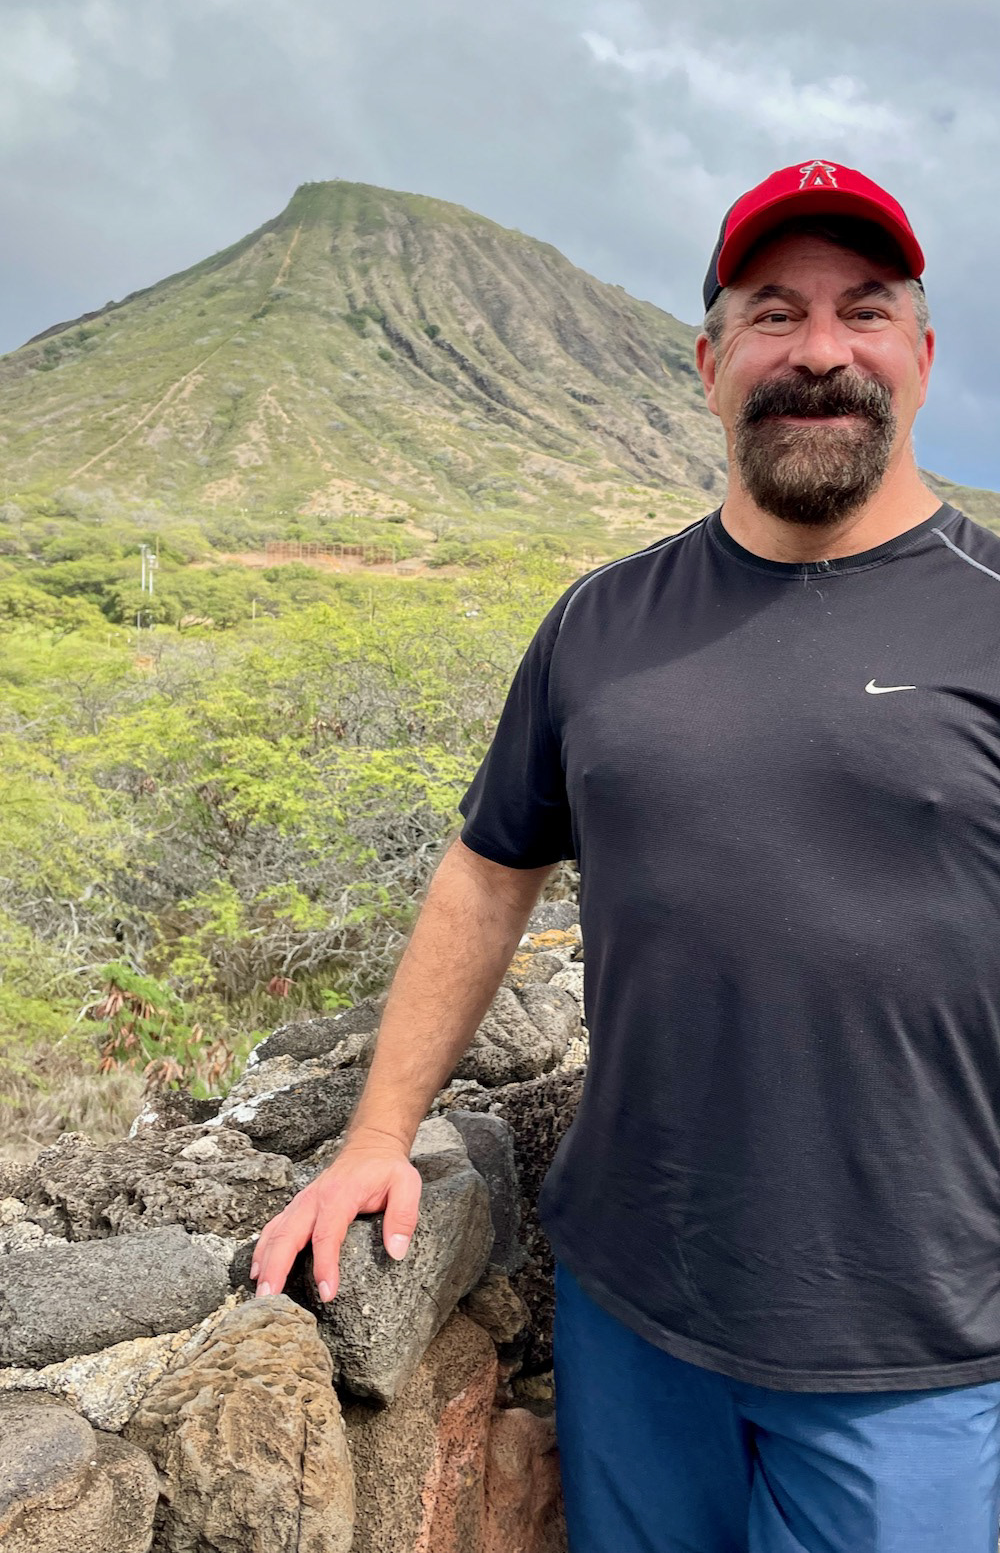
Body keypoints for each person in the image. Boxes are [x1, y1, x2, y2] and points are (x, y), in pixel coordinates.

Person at [251, 159, 1000, 1552]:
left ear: (922, 353)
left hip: (921, 1338)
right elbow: (490, 872)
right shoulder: (600, 623)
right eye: (773, 313)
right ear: (711, 365)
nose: (820, 351)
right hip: (635, 1311)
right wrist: (375, 1138)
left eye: (865, 310)